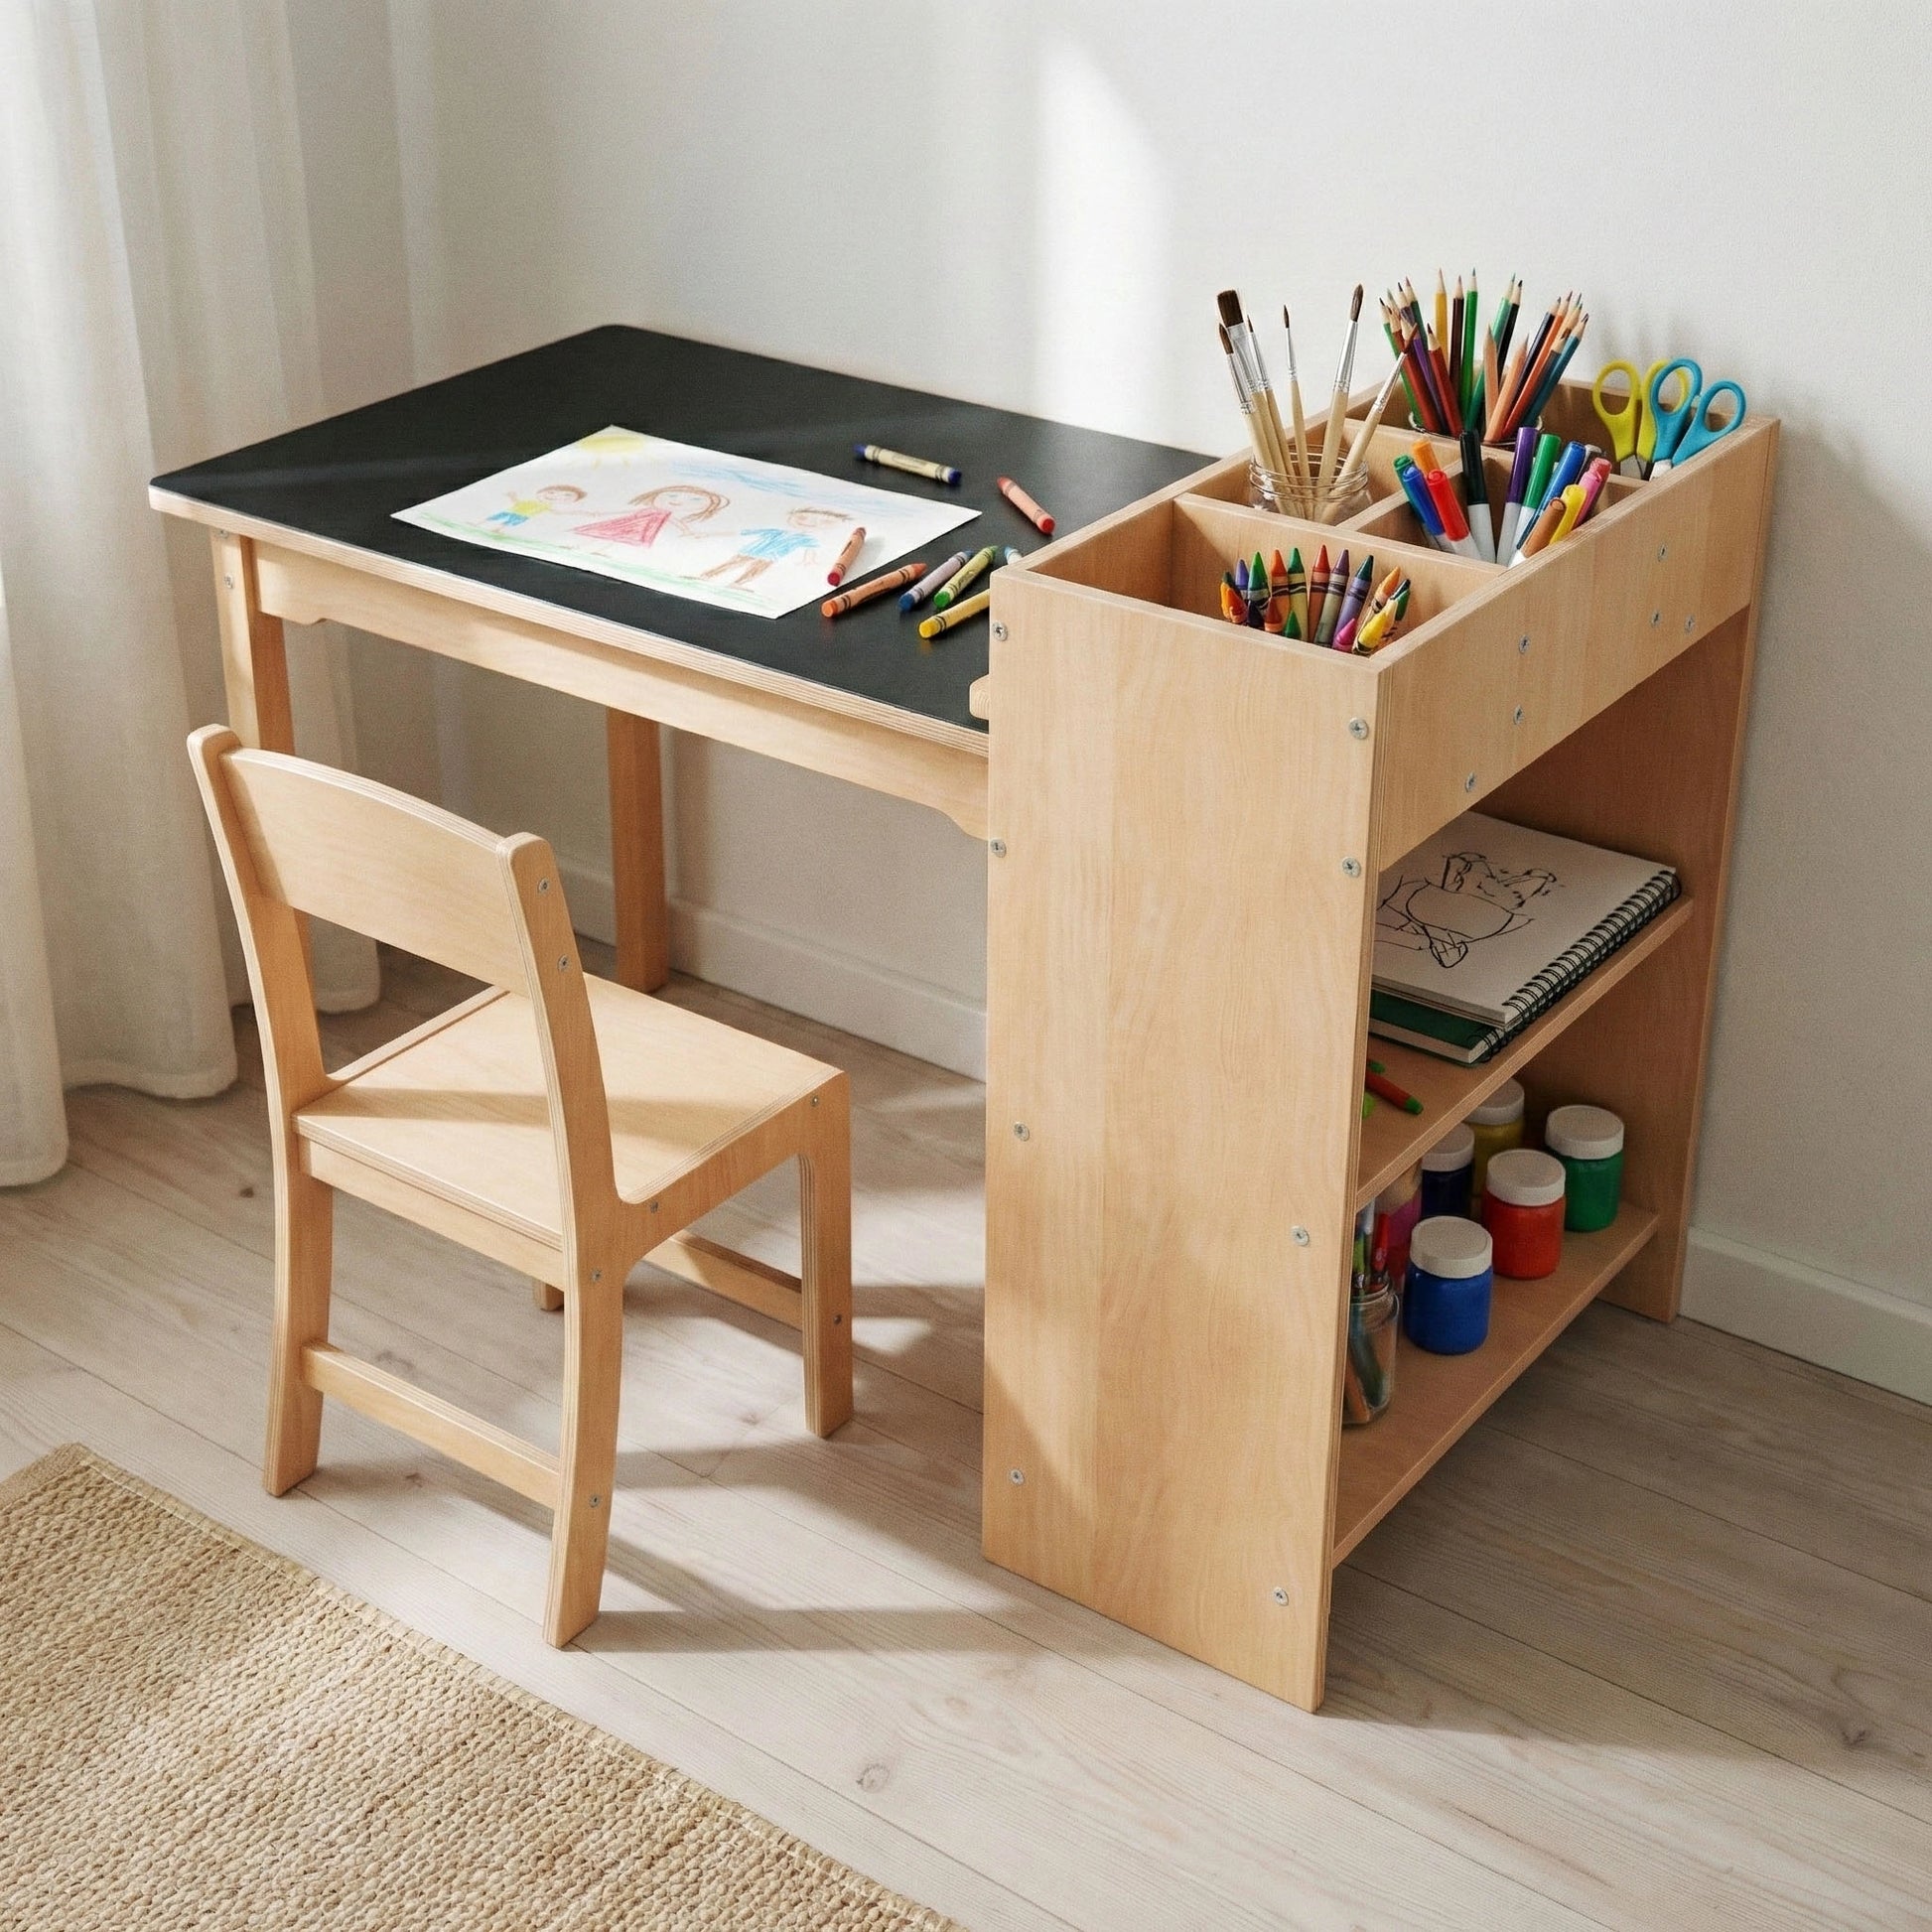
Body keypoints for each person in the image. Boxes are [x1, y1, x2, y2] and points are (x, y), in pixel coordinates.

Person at [697, 504, 850, 589]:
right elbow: (745, 532)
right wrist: (712, 534)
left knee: (754, 571)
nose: (810, 523)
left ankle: (737, 584)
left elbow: (810, 549)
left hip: (770, 557)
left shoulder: (804, 538)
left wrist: (808, 561)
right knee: (730, 564)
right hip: (750, 551)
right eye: (802, 517)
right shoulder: (777, 531)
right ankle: (706, 576)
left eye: (825, 523)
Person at [575, 483, 726, 548]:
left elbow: (676, 523)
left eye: (696, 500)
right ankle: (582, 546)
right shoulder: (653, 510)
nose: (677, 502)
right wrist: (601, 513)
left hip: (641, 531)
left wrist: (687, 531)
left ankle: (596, 550)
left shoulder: (665, 514)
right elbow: (627, 513)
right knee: (605, 536)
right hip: (625, 525)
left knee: (615, 541)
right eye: (672, 496)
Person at [483, 481, 585, 530]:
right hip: (513, 511)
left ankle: (496, 529)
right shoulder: (532, 502)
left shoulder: (546, 506)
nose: (556, 497)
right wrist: (512, 496)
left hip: (523, 516)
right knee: (494, 518)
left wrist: (578, 512)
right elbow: (518, 502)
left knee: (508, 523)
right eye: (551, 492)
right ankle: (480, 524)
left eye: (566, 497)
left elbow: (557, 513)